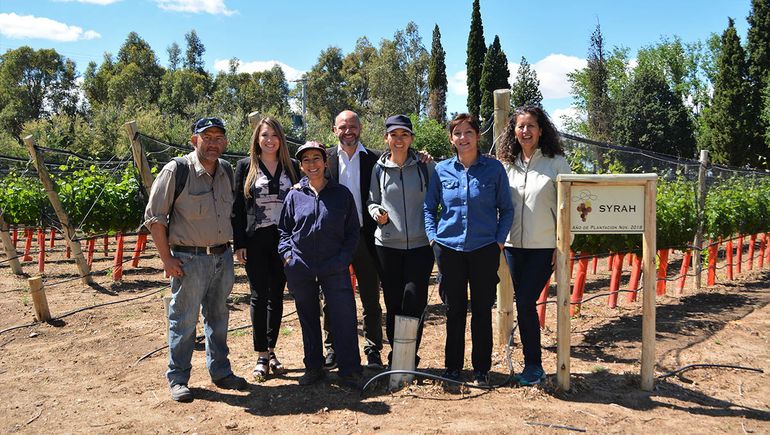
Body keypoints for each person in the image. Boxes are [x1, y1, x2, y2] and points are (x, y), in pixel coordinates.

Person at [144, 117, 248, 403]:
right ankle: (178, 378)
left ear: (225, 142)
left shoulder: (226, 170)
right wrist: (166, 259)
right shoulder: (176, 170)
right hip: (189, 259)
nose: (213, 143)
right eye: (207, 137)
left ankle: (221, 371)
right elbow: (155, 217)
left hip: (221, 256)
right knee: (184, 320)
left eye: (218, 138)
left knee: (219, 317)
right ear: (194, 140)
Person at [423, 113, 514, 387]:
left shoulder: (494, 169)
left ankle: (481, 369)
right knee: (454, 310)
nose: (463, 138)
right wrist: (433, 240)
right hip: (449, 249)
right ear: (451, 139)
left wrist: (498, 241)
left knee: (483, 310)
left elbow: (506, 209)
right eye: (457, 133)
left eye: (468, 133)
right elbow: (429, 208)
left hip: (484, 249)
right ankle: (452, 368)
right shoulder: (442, 170)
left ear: (477, 136)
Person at [278, 141, 364, 388]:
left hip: (334, 265)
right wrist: (288, 257)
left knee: (344, 315)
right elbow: (284, 230)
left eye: (317, 158)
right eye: (306, 160)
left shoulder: (341, 194)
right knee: (308, 317)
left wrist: (343, 259)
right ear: (301, 166)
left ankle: (349, 369)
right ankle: (314, 367)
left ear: (326, 162)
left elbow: (352, 234)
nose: (312, 164)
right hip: (301, 265)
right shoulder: (294, 195)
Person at [497, 105, 572, 386]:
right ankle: (533, 365)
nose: (525, 131)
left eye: (531, 126)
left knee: (526, 301)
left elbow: (570, 208)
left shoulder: (556, 164)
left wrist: (562, 244)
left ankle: (534, 366)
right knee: (525, 304)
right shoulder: (507, 165)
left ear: (541, 131)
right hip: (514, 246)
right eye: (520, 126)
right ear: (513, 131)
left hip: (544, 247)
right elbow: (500, 205)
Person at [232, 117, 300, 382]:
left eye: (274, 135)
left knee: (277, 296)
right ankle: (260, 354)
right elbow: (237, 208)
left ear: (281, 138)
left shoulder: (292, 166)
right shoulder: (245, 167)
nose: (269, 140)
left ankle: (272, 351)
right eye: (264, 135)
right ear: (257, 140)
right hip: (256, 240)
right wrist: (239, 243)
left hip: (284, 240)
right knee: (259, 296)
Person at [366, 114, 435, 368]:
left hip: (420, 246)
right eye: (393, 135)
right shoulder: (378, 168)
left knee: (413, 299)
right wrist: (376, 214)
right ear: (386, 138)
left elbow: (438, 198)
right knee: (394, 302)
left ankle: (409, 356)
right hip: (387, 246)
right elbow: (372, 200)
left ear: (411, 138)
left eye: (404, 135)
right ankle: (397, 358)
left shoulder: (426, 166)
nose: (399, 140)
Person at [323, 110, 384, 370]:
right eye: (342, 127)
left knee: (370, 296)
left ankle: (373, 350)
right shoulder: (323, 159)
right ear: (334, 130)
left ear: (360, 129)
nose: (348, 131)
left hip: (366, 236)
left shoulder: (376, 159)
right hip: (334, 239)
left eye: (352, 126)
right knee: (331, 296)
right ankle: (332, 348)